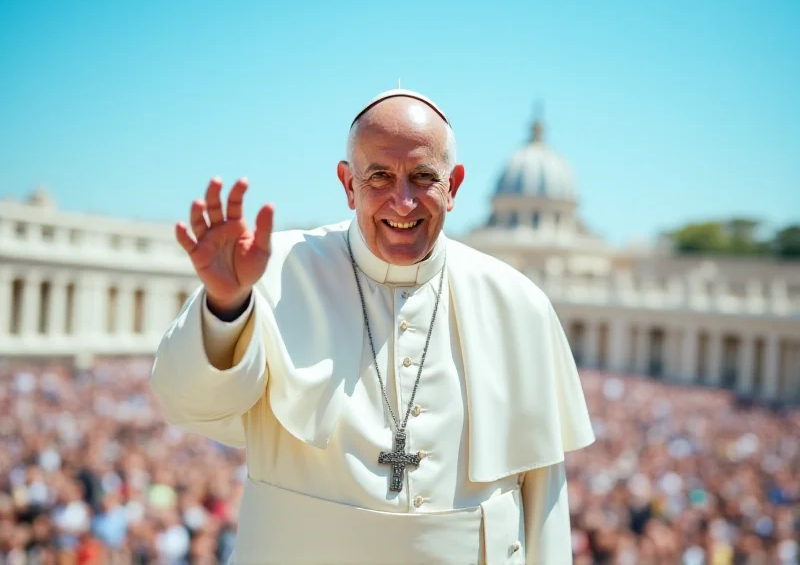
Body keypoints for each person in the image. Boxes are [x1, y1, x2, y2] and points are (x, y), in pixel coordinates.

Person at [150, 88, 596, 564]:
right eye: (379, 176)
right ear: (347, 185)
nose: (402, 202)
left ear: (454, 185)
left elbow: (544, 500)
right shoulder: (270, 273)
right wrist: (225, 304)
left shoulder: (518, 304)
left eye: (423, 177)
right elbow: (188, 404)